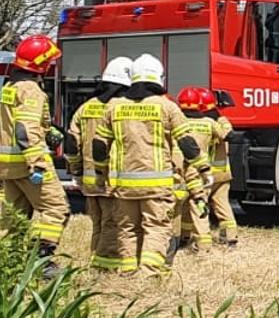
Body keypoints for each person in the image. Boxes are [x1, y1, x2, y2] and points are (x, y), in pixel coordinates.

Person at [96, 55, 209, 272]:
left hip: (124, 186)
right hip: (157, 186)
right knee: (156, 227)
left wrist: (101, 173)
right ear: (158, 76)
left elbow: (99, 145)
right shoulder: (167, 107)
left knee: (127, 229)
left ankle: (127, 271)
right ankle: (150, 273)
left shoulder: (114, 107)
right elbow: (187, 143)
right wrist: (203, 168)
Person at [0, 34, 69, 269]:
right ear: (41, 63)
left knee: (15, 216)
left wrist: (48, 131)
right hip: (29, 164)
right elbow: (24, 130)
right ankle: (39, 260)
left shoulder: (10, 87)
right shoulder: (31, 90)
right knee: (56, 208)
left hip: (10, 166)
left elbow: (17, 125)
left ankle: (9, 263)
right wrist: (37, 163)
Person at [66, 57, 133, 272]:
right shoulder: (122, 108)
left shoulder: (85, 108)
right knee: (112, 223)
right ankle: (105, 266)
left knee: (98, 223)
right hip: (111, 177)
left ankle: (95, 258)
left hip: (89, 179)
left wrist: (76, 171)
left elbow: (71, 143)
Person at [169, 86, 220, 254]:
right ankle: (204, 244)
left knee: (176, 209)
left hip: (177, 172)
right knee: (199, 205)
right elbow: (225, 136)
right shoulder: (209, 123)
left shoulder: (177, 123)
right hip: (199, 169)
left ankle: (177, 241)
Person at [196, 88, 238, 246]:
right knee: (222, 205)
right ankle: (230, 237)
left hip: (205, 174)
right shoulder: (222, 121)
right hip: (223, 173)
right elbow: (230, 135)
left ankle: (200, 240)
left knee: (198, 205)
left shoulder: (199, 124)